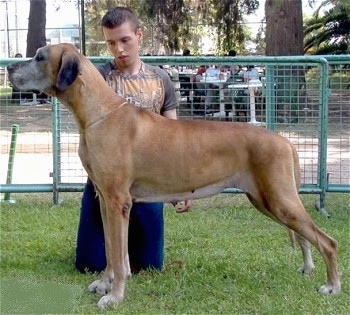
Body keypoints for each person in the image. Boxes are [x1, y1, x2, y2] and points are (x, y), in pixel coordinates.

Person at [75, 6, 191, 274]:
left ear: (139, 35)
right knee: (89, 265)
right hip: (106, 183)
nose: (119, 49)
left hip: (148, 181)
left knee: (150, 266)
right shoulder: (99, 78)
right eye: (111, 42)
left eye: (125, 40)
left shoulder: (161, 80)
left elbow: (175, 136)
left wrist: (182, 185)